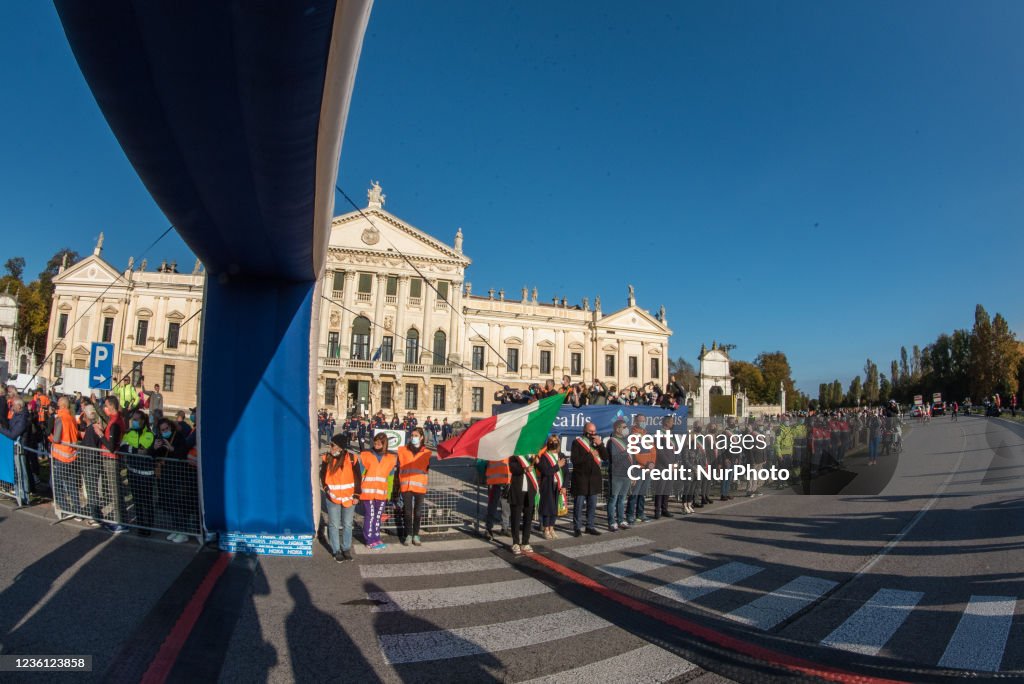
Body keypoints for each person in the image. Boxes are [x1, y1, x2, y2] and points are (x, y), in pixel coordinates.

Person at [152, 417, 193, 542]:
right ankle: (176, 529)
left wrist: (172, 449)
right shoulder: (160, 439)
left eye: (166, 428)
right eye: (162, 430)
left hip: (179, 475)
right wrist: (154, 448)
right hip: (165, 476)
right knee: (171, 503)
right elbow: (153, 456)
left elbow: (183, 453)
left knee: (180, 503)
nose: (165, 431)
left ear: (171, 427)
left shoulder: (178, 437)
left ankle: (183, 531)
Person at [322, 434, 358, 562]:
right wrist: (326, 489)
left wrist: (357, 495)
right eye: (331, 444)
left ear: (341, 447)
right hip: (333, 497)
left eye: (333, 445)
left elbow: (358, 477)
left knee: (348, 524)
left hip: (349, 497)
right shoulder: (327, 457)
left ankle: (346, 548)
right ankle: (336, 550)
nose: (330, 447)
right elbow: (322, 476)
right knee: (334, 524)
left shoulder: (352, 458)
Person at [358, 432, 396, 550]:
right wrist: (357, 491)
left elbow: (390, 478)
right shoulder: (366, 455)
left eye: (380, 443)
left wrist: (389, 493)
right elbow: (360, 474)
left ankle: (376, 537)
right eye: (375, 442)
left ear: (385, 444)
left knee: (378, 516)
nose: (377, 444)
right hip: (367, 492)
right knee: (371, 515)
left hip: (381, 493)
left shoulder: (391, 458)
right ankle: (369, 540)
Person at [122, 409, 156, 536]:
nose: (133, 422)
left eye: (136, 420)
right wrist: (134, 449)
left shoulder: (149, 434)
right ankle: (141, 525)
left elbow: (144, 451)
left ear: (142, 421)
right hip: (132, 472)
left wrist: (132, 449)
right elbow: (123, 447)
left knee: (146, 501)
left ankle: (149, 526)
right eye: (133, 419)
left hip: (146, 475)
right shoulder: (129, 432)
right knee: (137, 501)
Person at [570, 422, 607, 536]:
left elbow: (605, 457)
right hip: (581, 479)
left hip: (594, 479)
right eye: (591, 431)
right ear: (585, 431)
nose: (593, 433)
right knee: (579, 505)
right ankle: (577, 527)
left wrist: (600, 445)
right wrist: (591, 454)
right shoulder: (577, 443)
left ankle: (590, 526)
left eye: (594, 431)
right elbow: (575, 460)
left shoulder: (597, 443)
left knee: (592, 505)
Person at [397, 427, 431, 546]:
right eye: (412, 435)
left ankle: (416, 535)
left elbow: (426, 468)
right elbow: (398, 466)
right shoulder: (403, 450)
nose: (413, 437)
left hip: (420, 487)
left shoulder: (427, 452)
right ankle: (408, 535)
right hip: (406, 486)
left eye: (416, 435)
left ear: (421, 437)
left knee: (417, 513)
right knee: (407, 512)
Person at [49, 396, 82, 514]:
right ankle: (77, 509)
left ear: (62, 406)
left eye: (58, 404)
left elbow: (57, 438)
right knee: (72, 485)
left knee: (56, 483)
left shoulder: (61, 418)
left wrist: (50, 437)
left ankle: (64, 508)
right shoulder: (72, 418)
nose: (57, 406)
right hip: (72, 455)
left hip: (61, 456)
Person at [507, 451, 539, 554]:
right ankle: (516, 543)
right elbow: (513, 468)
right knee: (515, 518)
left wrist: (537, 461)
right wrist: (525, 469)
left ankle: (525, 542)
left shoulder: (531, 456)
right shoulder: (515, 455)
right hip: (517, 490)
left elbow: (541, 469)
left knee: (528, 518)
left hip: (530, 491)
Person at [605, 419, 632, 531]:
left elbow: (631, 458)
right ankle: (612, 521)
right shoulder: (612, 441)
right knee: (613, 499)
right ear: (618, 428)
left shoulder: (626, 440)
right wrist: (625, 452)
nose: (626, 429)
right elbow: (614, 458)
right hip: (616, 474)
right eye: (624, 427)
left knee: (622, 499)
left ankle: (621, 520)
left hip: (626, 474)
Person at [482, 457, 511, 541]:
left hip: (506, 483)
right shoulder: (492, 452)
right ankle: (488, 528)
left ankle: (504, 527)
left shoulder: (508, 453)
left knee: (506, 508)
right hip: (494, 484)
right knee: (492, 508)